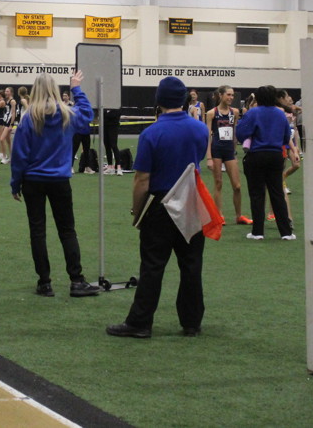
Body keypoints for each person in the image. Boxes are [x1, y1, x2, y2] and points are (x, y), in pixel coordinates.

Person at [106, 76, 209, 339]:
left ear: (159, 100)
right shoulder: (200, 129)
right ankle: (191, 321)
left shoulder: (151, 133)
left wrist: (137, 211)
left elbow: (142, 179)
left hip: (161, 204)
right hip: (191, 201)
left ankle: (140, 322)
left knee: (153, 265)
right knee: (191, 264)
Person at [10, 71, 100, 298]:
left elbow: (19, 155)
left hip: (33, 181)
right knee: (67, 230)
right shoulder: (67, 114)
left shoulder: (29, 118)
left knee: (37, 231)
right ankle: (76, 280)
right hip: (59, 180)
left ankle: (44, 282)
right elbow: (88, 114)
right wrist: (76, 88)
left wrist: (15, 183)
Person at [235, 85, 296, 240]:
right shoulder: (280, 113)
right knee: (277, 193)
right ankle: (286, 232)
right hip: (275, 155)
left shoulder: (253, 112)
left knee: (257, 194)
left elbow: (241, 133)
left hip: (256, 155)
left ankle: (258, 232)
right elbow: (286, 136)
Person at [205, 85, 248, 225]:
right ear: (221, 95)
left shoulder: (234, 112)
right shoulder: (211, 113)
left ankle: (239, 216)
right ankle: (219, 215)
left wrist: (234, 151)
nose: (231, 97)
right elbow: (208, 136)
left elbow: (234, 133)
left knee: (237, 186)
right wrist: (209, 157)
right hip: (216, 150)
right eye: (228, 94)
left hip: (229, 151)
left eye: (232, 95)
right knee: (218, 183)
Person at [0, 87, 15, 164]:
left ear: (11, 92)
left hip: (8, 122)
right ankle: (11, 158)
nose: (6, 92)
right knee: (8, 141)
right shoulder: (7, 101)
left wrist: (11, 124)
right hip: (5, 121)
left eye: (7, 91)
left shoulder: (12, 101)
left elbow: (13, 113)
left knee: (1, 139)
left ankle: (4, 157)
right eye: (5, 91)